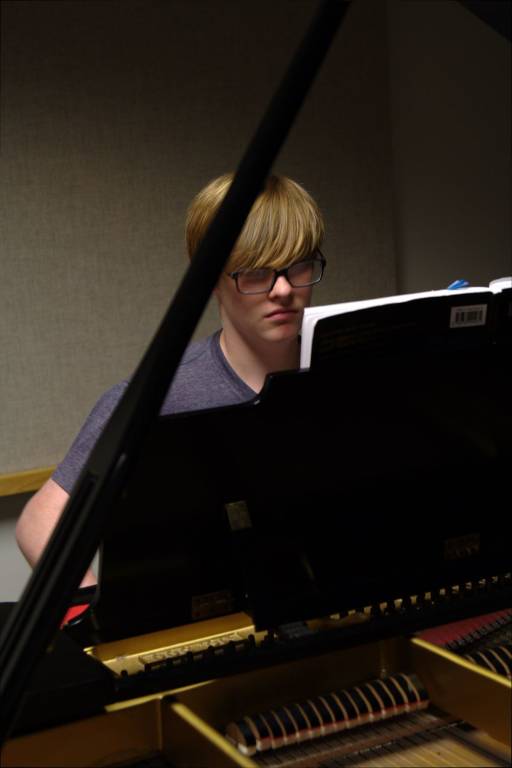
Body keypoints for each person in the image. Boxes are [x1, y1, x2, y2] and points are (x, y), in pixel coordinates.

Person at [15, 173, 326, 585]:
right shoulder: (158, 395)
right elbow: (40, 522)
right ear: (210, 279)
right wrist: (92, 610)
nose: (284, 290)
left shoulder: (344, 370)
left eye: (299, 266)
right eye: (256, 273)